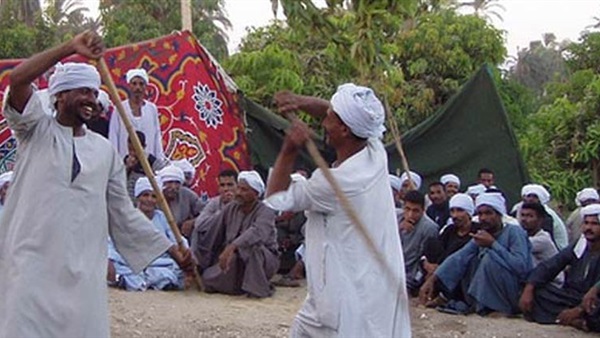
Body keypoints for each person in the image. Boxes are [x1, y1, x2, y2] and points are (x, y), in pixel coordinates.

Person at [0, 31, 193, 338]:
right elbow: (18, 79)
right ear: (60, 95)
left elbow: (123, 214)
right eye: (82, 92)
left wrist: (171, 248)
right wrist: (68, 47)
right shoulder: (34, 130)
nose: (91, 100)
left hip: (83, 274)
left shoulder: (105, 152)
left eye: (93, 93)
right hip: (31, 267)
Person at [266, 84, 411, 337]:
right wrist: (297, 100)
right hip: (369, 289)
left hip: (344, 297)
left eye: (330, 118)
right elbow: (333, 112)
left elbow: (275, 199)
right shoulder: (374, 150)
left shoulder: (335, 183)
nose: (324, 121)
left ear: (344, 129)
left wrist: (289, 149)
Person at [419, 192, 532, 316]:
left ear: (499, 215)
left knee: (489, 258)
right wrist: (432, 280)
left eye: (488, 213)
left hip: (514, 290)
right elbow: (459, 257)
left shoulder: (514, 232)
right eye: (480, 214)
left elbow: (521, 267)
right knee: (468, 259)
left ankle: (500, 309)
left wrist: (493, 244)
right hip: (493, 289)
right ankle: (477, 304)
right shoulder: (482, 234)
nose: (483, 218)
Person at [192, 170, 279, 298]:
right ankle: (237, 284)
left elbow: (257, 232)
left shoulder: (266, 211)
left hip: (263, 259)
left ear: (255, 193)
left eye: (244, 190)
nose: (238, 193)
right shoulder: (231, 208)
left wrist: (233, 246)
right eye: (238, 188)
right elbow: (215, 234)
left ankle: (256, 289)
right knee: (208, 278)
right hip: (233, 259)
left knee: (254, 248)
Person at [519, 204, 600, 332]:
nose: (588, 228)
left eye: (595, 224)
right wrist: (530, 287)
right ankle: (574, 320)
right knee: (537, 292)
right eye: (586, 223)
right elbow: (551, 265)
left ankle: (574, 318)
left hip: (594, 301)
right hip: (573, 297)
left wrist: (580, 308)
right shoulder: (580, 244)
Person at [108, 177, 187, 291]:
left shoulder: (162, 218)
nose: (149, 200)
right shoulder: (126, 217)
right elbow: (111, 243)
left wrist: (181, 252)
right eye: (145, 195)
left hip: (157, 262)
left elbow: (175, 239)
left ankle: (156, 281)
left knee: (169, 273)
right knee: (119, 267)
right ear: (138, 197)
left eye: (154, 196)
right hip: (131, 261)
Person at [421, 193, 480, 307]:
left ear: (469, 213)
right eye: (452, 211)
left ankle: (444, 295)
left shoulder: (477, 231)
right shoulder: (449, 230)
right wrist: (427, 263)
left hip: (461, 273)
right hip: (440, 269)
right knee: (431, 243)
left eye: (459, 211)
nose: (455, 215)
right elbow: (435, 250)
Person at [109, 67, 165, 160]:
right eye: (134, 83)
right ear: (129, 86)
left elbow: (156, 136)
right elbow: (113, 136)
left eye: (141, 84)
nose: (137, 87)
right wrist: (116, 162)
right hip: (126, 161)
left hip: (148, 161)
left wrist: (159, 159)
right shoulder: (119, 109)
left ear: (145, 87)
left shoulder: (152, 109)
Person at [400, 190, 439, 294]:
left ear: (423, 210)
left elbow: (423, 259)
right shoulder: (396, 218)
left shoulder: (429, 228)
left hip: (412, 274)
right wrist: (398, 229)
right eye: (407, 209)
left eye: (415, 211)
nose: (410, 214)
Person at [511, 183, 568, 250]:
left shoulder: (547, 214)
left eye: (535, 196)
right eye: (528, 196)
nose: (531, 199)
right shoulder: (518, 209)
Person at [519, 202, 563, 286]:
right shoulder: (525, 235)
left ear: (540, 220)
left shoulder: (542, 240)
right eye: (523, 215)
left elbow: (515, 246)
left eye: (530, 216)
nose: (524, 219)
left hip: (551, 284)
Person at [158, 164, 203, 239]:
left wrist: (193, 222)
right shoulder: (152, 195)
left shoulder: (187, 194)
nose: (173, 187)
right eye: (169, 182)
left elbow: (206, 213)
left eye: (177, 183)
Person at [124, 130, 169, 201]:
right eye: (130, 150)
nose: (132, 153)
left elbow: (161, 178)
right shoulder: (126, 160)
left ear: (144, 146)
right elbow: (120, 180)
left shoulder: (152, 161)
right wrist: (127, 168)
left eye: (135, 150)